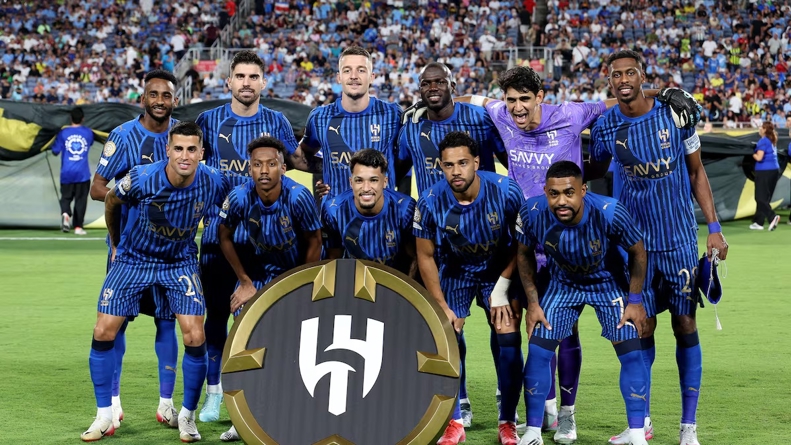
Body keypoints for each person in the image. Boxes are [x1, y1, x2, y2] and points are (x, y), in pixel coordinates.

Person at [412, 65, 701, 439]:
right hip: (529, 243)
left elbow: (617, 98)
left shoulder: (570, 114)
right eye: (511, 100)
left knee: (570, 330)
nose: (517, 108)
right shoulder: (500, 112)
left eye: (524, 99)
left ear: (540, 97)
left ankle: (568, 413)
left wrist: (661, 93)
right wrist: (422, 104)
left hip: (570, 241)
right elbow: (473, 99)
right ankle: (544, 412)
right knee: (539, 326)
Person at [590, 50, 729, 445]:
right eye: (616, 74)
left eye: (630, 72)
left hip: (679, 240)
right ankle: (643, 422)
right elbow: (592, 173)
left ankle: (689, 428)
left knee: (685, 324)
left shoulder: (675, 115)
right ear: (609, 80)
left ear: (642, 75)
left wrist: (714, 229)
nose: (623, 80)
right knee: (641, 327)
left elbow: (697, 172)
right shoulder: (605, 127)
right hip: (635, 247)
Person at [81, 122, 231, 442]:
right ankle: (104, 415)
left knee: (195, 335)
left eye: (191, 149)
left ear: (201, 153)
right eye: (178, 148)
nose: (184, 156)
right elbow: (111, 200)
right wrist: (116, 242)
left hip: (179, 262)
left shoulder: (213, 180)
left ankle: (187, 416)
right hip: (134, 259)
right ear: (168, 150)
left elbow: (244, 192)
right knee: (103, 330)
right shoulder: (141, 177)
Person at [397, 61, 510, 428]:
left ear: (451, 84)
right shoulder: (411, 130)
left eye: (439, 82)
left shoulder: (479, 119)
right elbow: (397, 173)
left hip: (489, 240)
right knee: (448, 329)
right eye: (426, 83)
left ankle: (505, 397)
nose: (433, 88)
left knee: (503, 326)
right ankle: (459, 402)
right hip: (443, 247)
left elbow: (508, 158)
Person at [195, 50, 301, 423]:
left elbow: (296, 164)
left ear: (263, 83)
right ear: (229, 81)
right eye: (240, 76)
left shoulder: (277, 121)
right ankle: (214, 396)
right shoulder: (208, 121)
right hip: (217, 236)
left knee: (262, 321)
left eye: (253, 77)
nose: (246, 83)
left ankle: (257, 397)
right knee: (215, 318)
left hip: (263, 242)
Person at [515, 160, 650, 445]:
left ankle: (638, 434)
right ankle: (533, 432)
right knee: (538, 350)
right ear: (545, 191)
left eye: (569, 192)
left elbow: (638, 252)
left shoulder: (610, 211)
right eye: (554, 194)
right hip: (563, 284)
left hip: (607, 284)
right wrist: (533, 303)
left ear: (583, 190)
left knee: (631, 353)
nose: (561, 201)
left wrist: (635, 300)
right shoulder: (531, 212)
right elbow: (523, 254)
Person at [414, 131, 524, 445]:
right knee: (447, 337)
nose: (456, 171)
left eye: (463, 163)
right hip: (456, 270)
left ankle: (507, 420)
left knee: (508, 335)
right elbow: (425, 256)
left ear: (476, 162)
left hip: (498, 270)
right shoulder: (430, 200)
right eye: (449, 165)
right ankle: (455, 420)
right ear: (440, 166)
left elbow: (522, 244)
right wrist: (441, 305)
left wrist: (502, 287)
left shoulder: (505, 191)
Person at [88, 69, 180, 431]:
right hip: (126, 248)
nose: (159, 101)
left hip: (169, 250)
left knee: (167, 322)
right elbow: (98, 187)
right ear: (143, 99)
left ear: (174, 100)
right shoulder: (123, 136)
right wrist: (135, 196)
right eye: (153, 94)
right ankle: (112, 404)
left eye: (166, 95)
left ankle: (166, 404)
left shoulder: (182, 138)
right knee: (117, 322)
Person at [216, 136, 323, 442]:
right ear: (249, 169)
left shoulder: (299, 197)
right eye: (257, 165)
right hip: (259, 275)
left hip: (296, 275)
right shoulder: (239, 197)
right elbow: (224, 236)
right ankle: (243, 418)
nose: (264, 170)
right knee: (245, 341)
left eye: (271, 164)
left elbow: (315, 241)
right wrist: (244, 281)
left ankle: (294, 414)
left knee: (295, 347)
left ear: (283, 168)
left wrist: (301, 285)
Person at [291, 46, 402, 199]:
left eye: (361, 70)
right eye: (347, 70)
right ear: (339, 77)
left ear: (372, 77)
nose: (354, 76)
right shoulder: (320, 117)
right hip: (336, 212)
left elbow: (408, 157)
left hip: (383, 212)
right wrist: (328, 171)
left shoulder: (392, 114)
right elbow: (302, 157)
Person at [322, 149, 417, 276]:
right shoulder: (333, 211)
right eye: (359, 180)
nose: (366, 188)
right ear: (351, 182)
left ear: (385, 182)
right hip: (352, 280)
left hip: (395, 281)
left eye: (373, 180)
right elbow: (334, 259)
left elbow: (414, 257)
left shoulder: (405, 209)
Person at [52, 106, 94, 235]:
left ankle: (65, 214)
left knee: (65, 197)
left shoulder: (63, 133)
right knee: (80, 200)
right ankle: (78, 227)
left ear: (70, 118)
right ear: (83, 118)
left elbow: (55, 151)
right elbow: (90, 143)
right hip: (82, 173)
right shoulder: (88, 133)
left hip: (67, 172)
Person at [749, 122, 781, 230]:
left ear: (765, 130)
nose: (759, 129)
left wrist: (750, 152)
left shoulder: (763, 141)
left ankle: (772, 217)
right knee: (765, 197)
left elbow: (759, 157)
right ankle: (759, 222)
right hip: (774, 170)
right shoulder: (771, 140)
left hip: (764, 171)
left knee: (760, 197)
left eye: (761, 127)